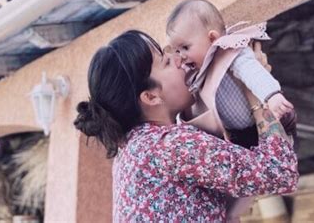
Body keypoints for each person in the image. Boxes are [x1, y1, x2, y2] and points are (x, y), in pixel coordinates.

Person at [74, 30, 299, 221]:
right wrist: (253, 90)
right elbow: (280, 173)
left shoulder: (134, 151)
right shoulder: (169, 145)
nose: (180, 59)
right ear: (151, 97)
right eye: (166, 61)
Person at [166, 0, 296, 147]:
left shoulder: (230, 50)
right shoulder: (194, 71)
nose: (181, 55)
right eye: (177, 50)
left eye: (185, 47)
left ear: (213, 38)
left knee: (282, 147)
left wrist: (271, 95)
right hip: (235, 135)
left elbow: (252, 71)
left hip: (266, 116)